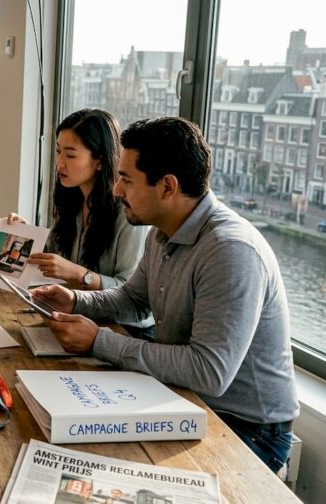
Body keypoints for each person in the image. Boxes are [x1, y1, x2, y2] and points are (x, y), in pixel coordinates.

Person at [33, 116, 298, 475]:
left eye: (126, 179)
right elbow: (132, 300)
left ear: (168, 186)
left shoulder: (231, 251)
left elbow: (208, 372)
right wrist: (76, 300)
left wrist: (99, 342)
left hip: (244, 427)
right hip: (181, 396)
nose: (116, 190)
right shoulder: (162, 232)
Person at [7, 109, 149, 291]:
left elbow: (130, 291)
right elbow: (53, 257)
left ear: (100, 161)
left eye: (70, 155)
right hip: (64, 302)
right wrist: (27, 236)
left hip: (98, 309)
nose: (60, 163)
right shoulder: (70, 199)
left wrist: (79, 274)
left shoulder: (129, 213)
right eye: (58, 151)